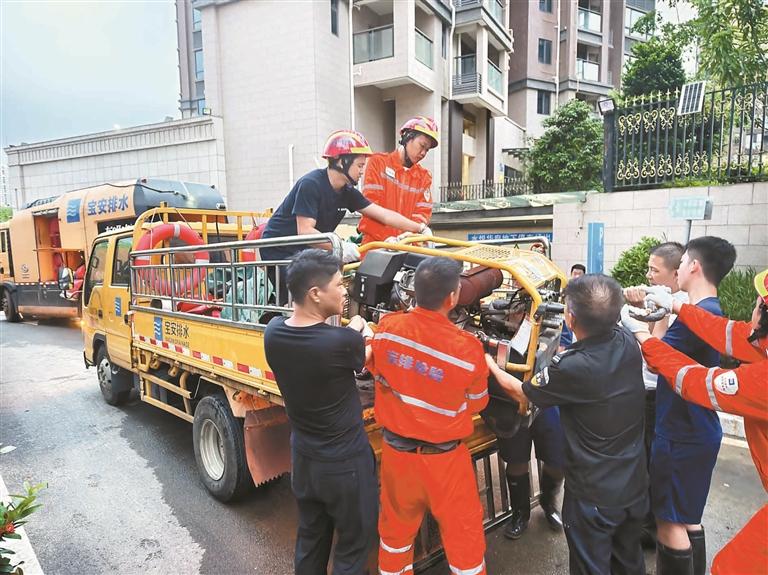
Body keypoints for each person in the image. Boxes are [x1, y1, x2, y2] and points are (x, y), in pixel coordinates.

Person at [486, 274, 648, 575]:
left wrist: (489, 363)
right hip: (633, 484)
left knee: (591, 566)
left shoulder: (573, 367)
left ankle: (547, 504)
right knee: (628, 561)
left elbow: (521, 391)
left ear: (570, 318)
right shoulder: (626, 341)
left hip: (594, 494)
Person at [621, 267, 768, 575]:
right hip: (696, 433)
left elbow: (695, 381)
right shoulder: (759, 342)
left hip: (680, 432)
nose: (753, 309)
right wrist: (675, 305)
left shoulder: (762, 380)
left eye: (758, 304)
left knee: (731, 567)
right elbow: (728, 332)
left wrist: (642, 335)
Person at [369, 256, 490, 575]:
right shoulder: (468, 349)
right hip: (446, 463)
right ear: (452, 297)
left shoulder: (387, 330)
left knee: (394, 536)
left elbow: (375, 369)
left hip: (397, 458)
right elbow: (477, 404)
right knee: (464, 538)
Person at [263, 249, 377, 575]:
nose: (345, 291)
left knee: (311, 541)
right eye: (339, 284)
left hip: (305, 459)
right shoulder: (341, 341)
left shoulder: (273, 332)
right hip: (345, 465)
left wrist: (352, 333)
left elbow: (319, 338)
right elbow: (361, 356)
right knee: (353, 549)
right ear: (315, 293)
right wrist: (361, 327)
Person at [629, 237, 735, 575]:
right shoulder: (710, 312)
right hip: (697, 428)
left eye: (684, 261)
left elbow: (655, 358)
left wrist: (633, 325)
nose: (678, 270)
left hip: (680, 431)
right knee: (688, 519)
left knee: (669, 523)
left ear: (694, 266)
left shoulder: (697, 317)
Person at [260, 129, 430, 265]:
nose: (362, 171)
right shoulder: (311, 184)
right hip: (279, 248)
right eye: (359, 166)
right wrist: (340, 246)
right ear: (342, 162)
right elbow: (305, 231)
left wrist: (420, 228)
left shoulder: (346, 192)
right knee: (307, 287)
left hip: (305, 249)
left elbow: (384, 215)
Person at [623, 241, 688, 546]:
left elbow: (655, 355)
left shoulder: (680, 307)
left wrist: (653, 314)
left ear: (676, 273)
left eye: (654, 270)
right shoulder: (665, 300)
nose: (648, 276)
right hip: (647, 392)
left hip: (657, 394)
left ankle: (650, 528)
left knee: (650, 461)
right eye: (648, 269)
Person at [358, 116, 438, 244]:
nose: (423, 153)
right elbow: (370, 208)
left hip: (407, 248)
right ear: (407, 138)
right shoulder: (378, 163)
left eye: (427, 150)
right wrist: (385, 237)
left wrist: (413, 234)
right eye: (422, 146)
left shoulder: (424, 177)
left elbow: (422, 214)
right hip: (376, 247)